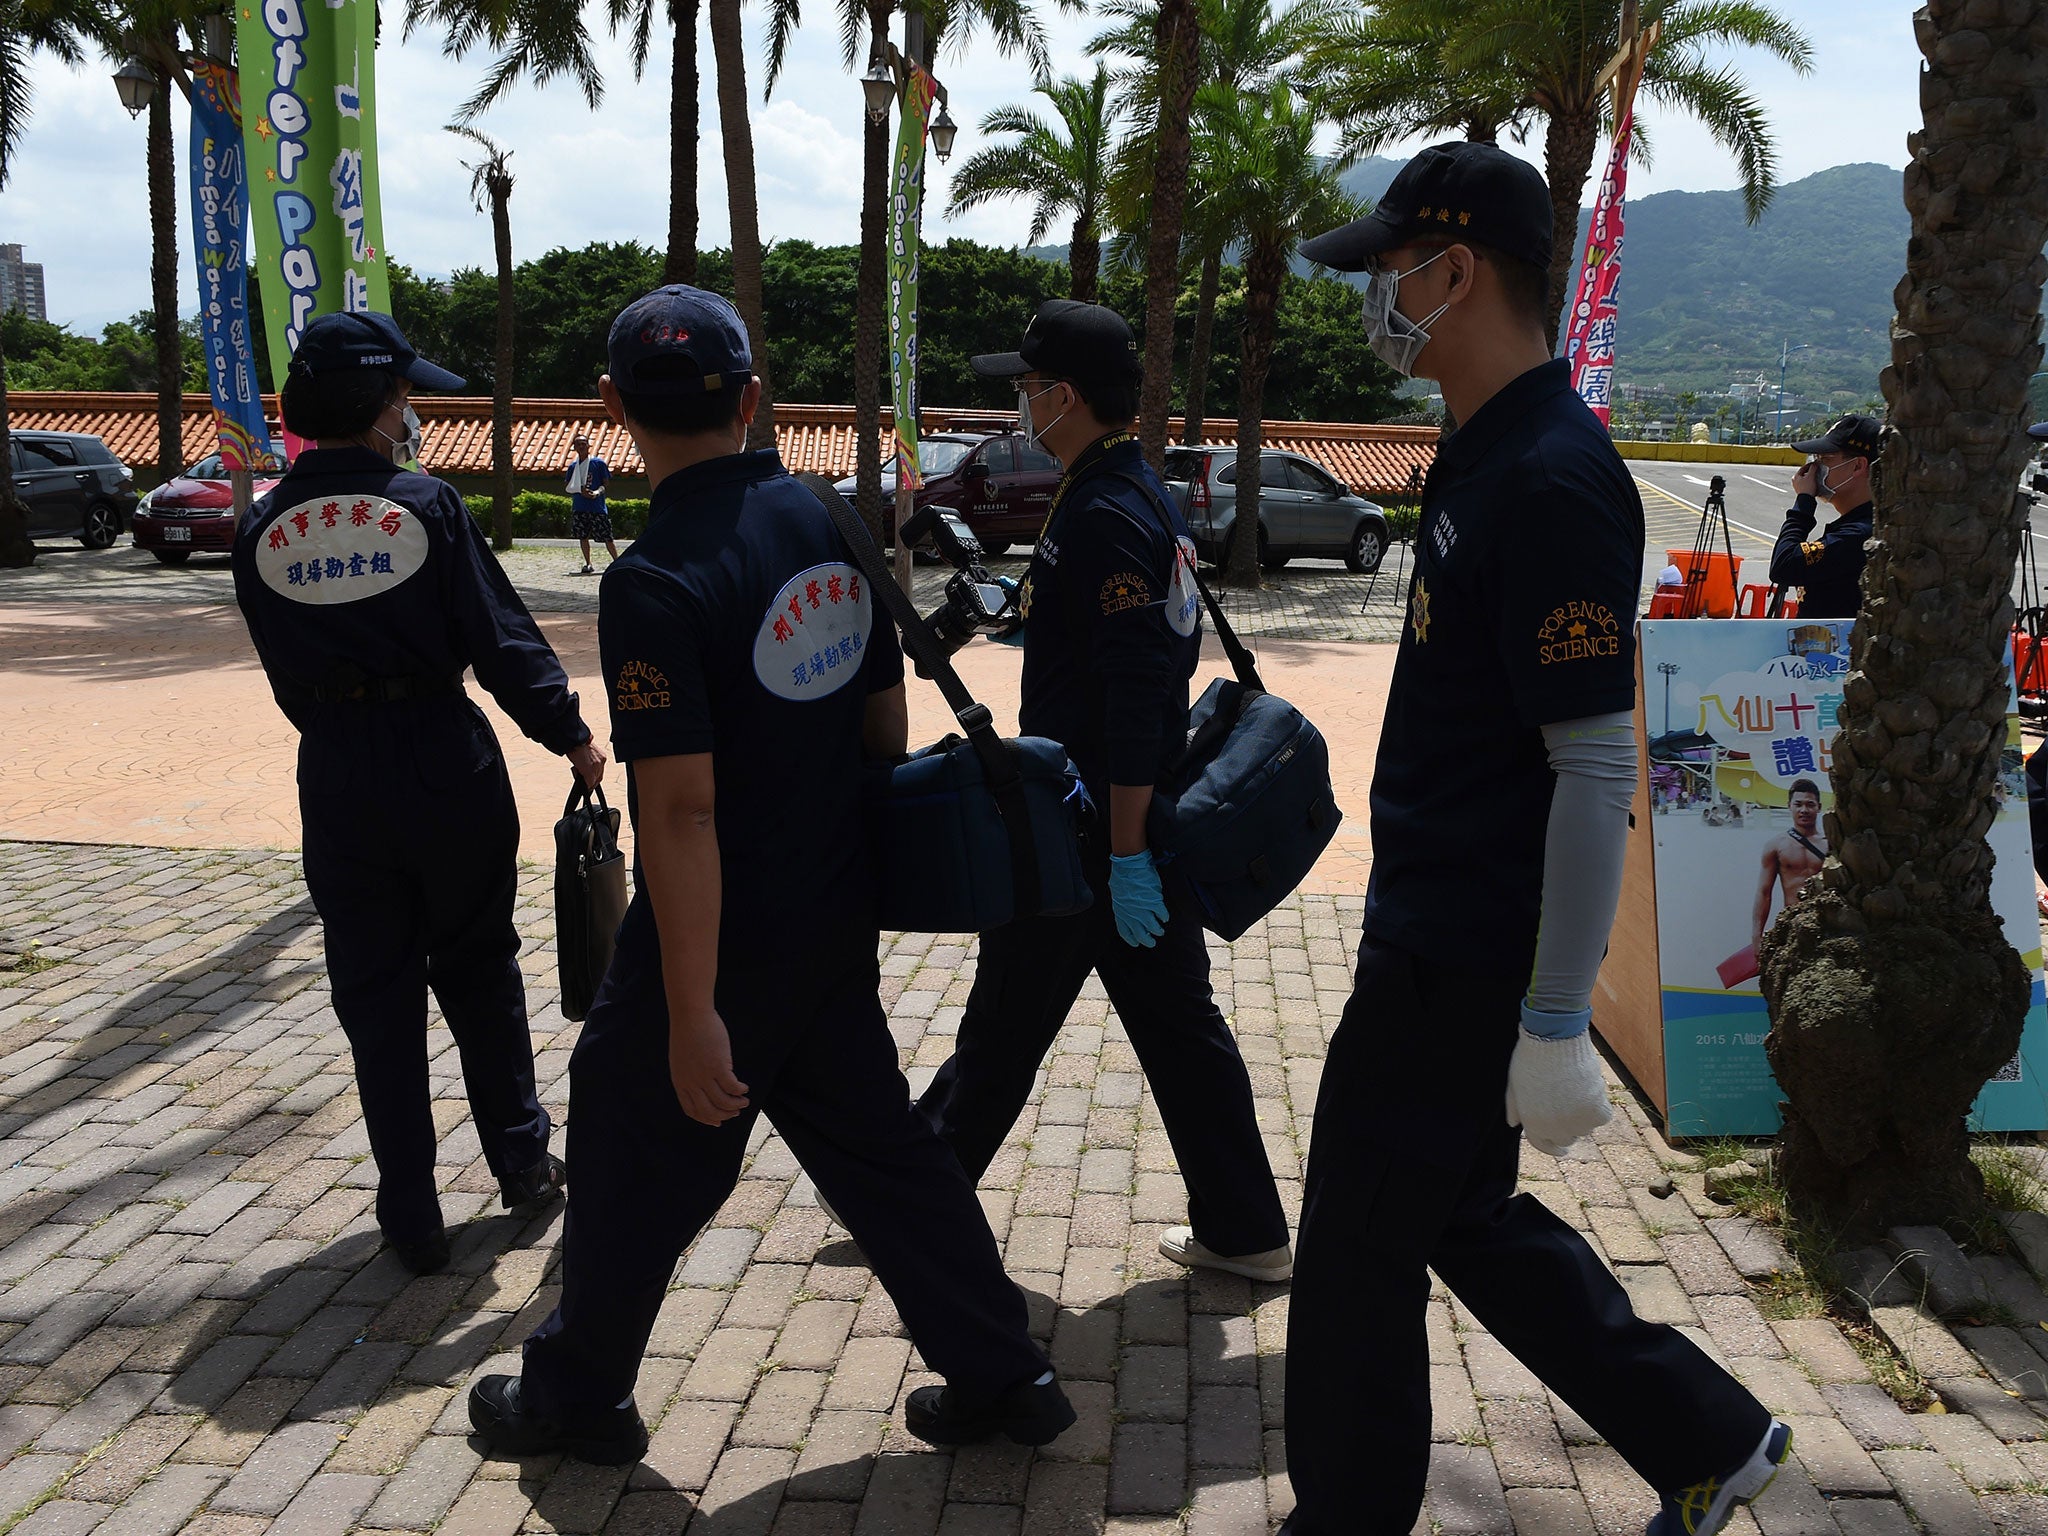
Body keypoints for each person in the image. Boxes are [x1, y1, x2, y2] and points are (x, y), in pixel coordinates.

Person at [467, 284, 1072, 1464]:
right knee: (884, 1158)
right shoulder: (824, 518)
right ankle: (1007, 1373)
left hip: (720, 937)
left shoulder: (651, 582)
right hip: (830, 907)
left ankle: (577, 1394)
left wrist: (692, 1013)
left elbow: (681, 815)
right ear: (751, 399)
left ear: (610, 407)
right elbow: (881, 724)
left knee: (628, 1132)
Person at [1284, 141, 1788, 1536]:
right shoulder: (1487, 449)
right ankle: (1711, 1435)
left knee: (1352, 1259)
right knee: (1454, 1218)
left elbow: (1589, 766)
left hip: (1463, 948)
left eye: (1388, 271)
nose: (1373, 299)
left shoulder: (1553, 481)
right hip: (1444, 922)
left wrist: (1558, 1017)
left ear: (1456, 271)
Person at [916, 299, 1292, 1284]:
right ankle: (1245, 1228)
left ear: (1063, 395)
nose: (1016, 406)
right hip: (1113, 826)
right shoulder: (1112, 487)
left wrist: (1125, 853)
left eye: (1025, 389)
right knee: (1176, 1030)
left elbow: (1137, 698)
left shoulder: (1110, 510)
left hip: (1089, 830)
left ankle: (909, 1201)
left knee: (1002, 1026)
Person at [231, 310, 604, 1275]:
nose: (412, 412)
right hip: (446, 760)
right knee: (479, 967)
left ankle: (410, 1214)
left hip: (338, 771)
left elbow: (282, 674)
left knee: (375, 992)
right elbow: (498, 639)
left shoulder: (262, 524)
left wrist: (342, 724)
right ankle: (522, 1166)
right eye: (404, 396)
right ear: (375, 402)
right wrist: (567, 734)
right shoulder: (426, 506)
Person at [1769, 414, 1879, 619]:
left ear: (1858, 466)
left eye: (1825, 459)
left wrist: (1804, 502)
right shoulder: (1856, 524)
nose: (1813, 469)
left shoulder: (1859, 534)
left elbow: (1784, 566)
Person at [1752, 778, 1826, 951]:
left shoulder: (1831, 844)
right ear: (1789, 806)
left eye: (1810, 804)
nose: (1804, 810)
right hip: (1793, 923)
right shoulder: (1776, 846)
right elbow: (1764, 893)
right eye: (1798, 804)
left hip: (1826, 924)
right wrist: (1757, 935)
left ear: (1819, 807)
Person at [566, 433, 618, 574]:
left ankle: (617, 561)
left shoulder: (598, 464)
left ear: (589, 446)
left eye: (584, 443)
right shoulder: (573, 467)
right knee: (583, 536)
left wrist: (596, 492)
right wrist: (580, 491)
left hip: (597, 506)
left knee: (607, 536)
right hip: (580, 506)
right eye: (579, 444)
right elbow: (569, 486)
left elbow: (605, 483)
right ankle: (588, 563)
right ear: (574, 447)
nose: (582, 446)